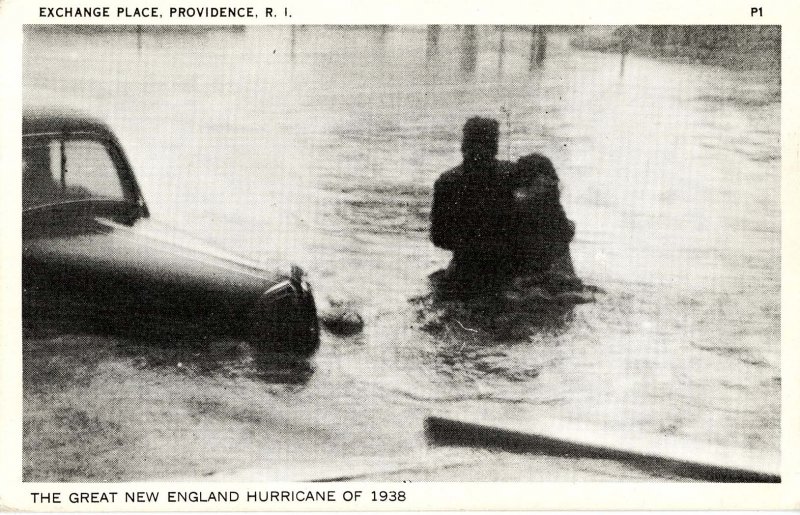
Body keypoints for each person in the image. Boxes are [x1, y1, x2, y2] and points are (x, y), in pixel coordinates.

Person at [430, 117, 515, 290]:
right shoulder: (512, 174)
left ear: (464, 145)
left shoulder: (447, 181)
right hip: (507, 269)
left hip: (464, 269)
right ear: (495, 146)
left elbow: (438, 238)